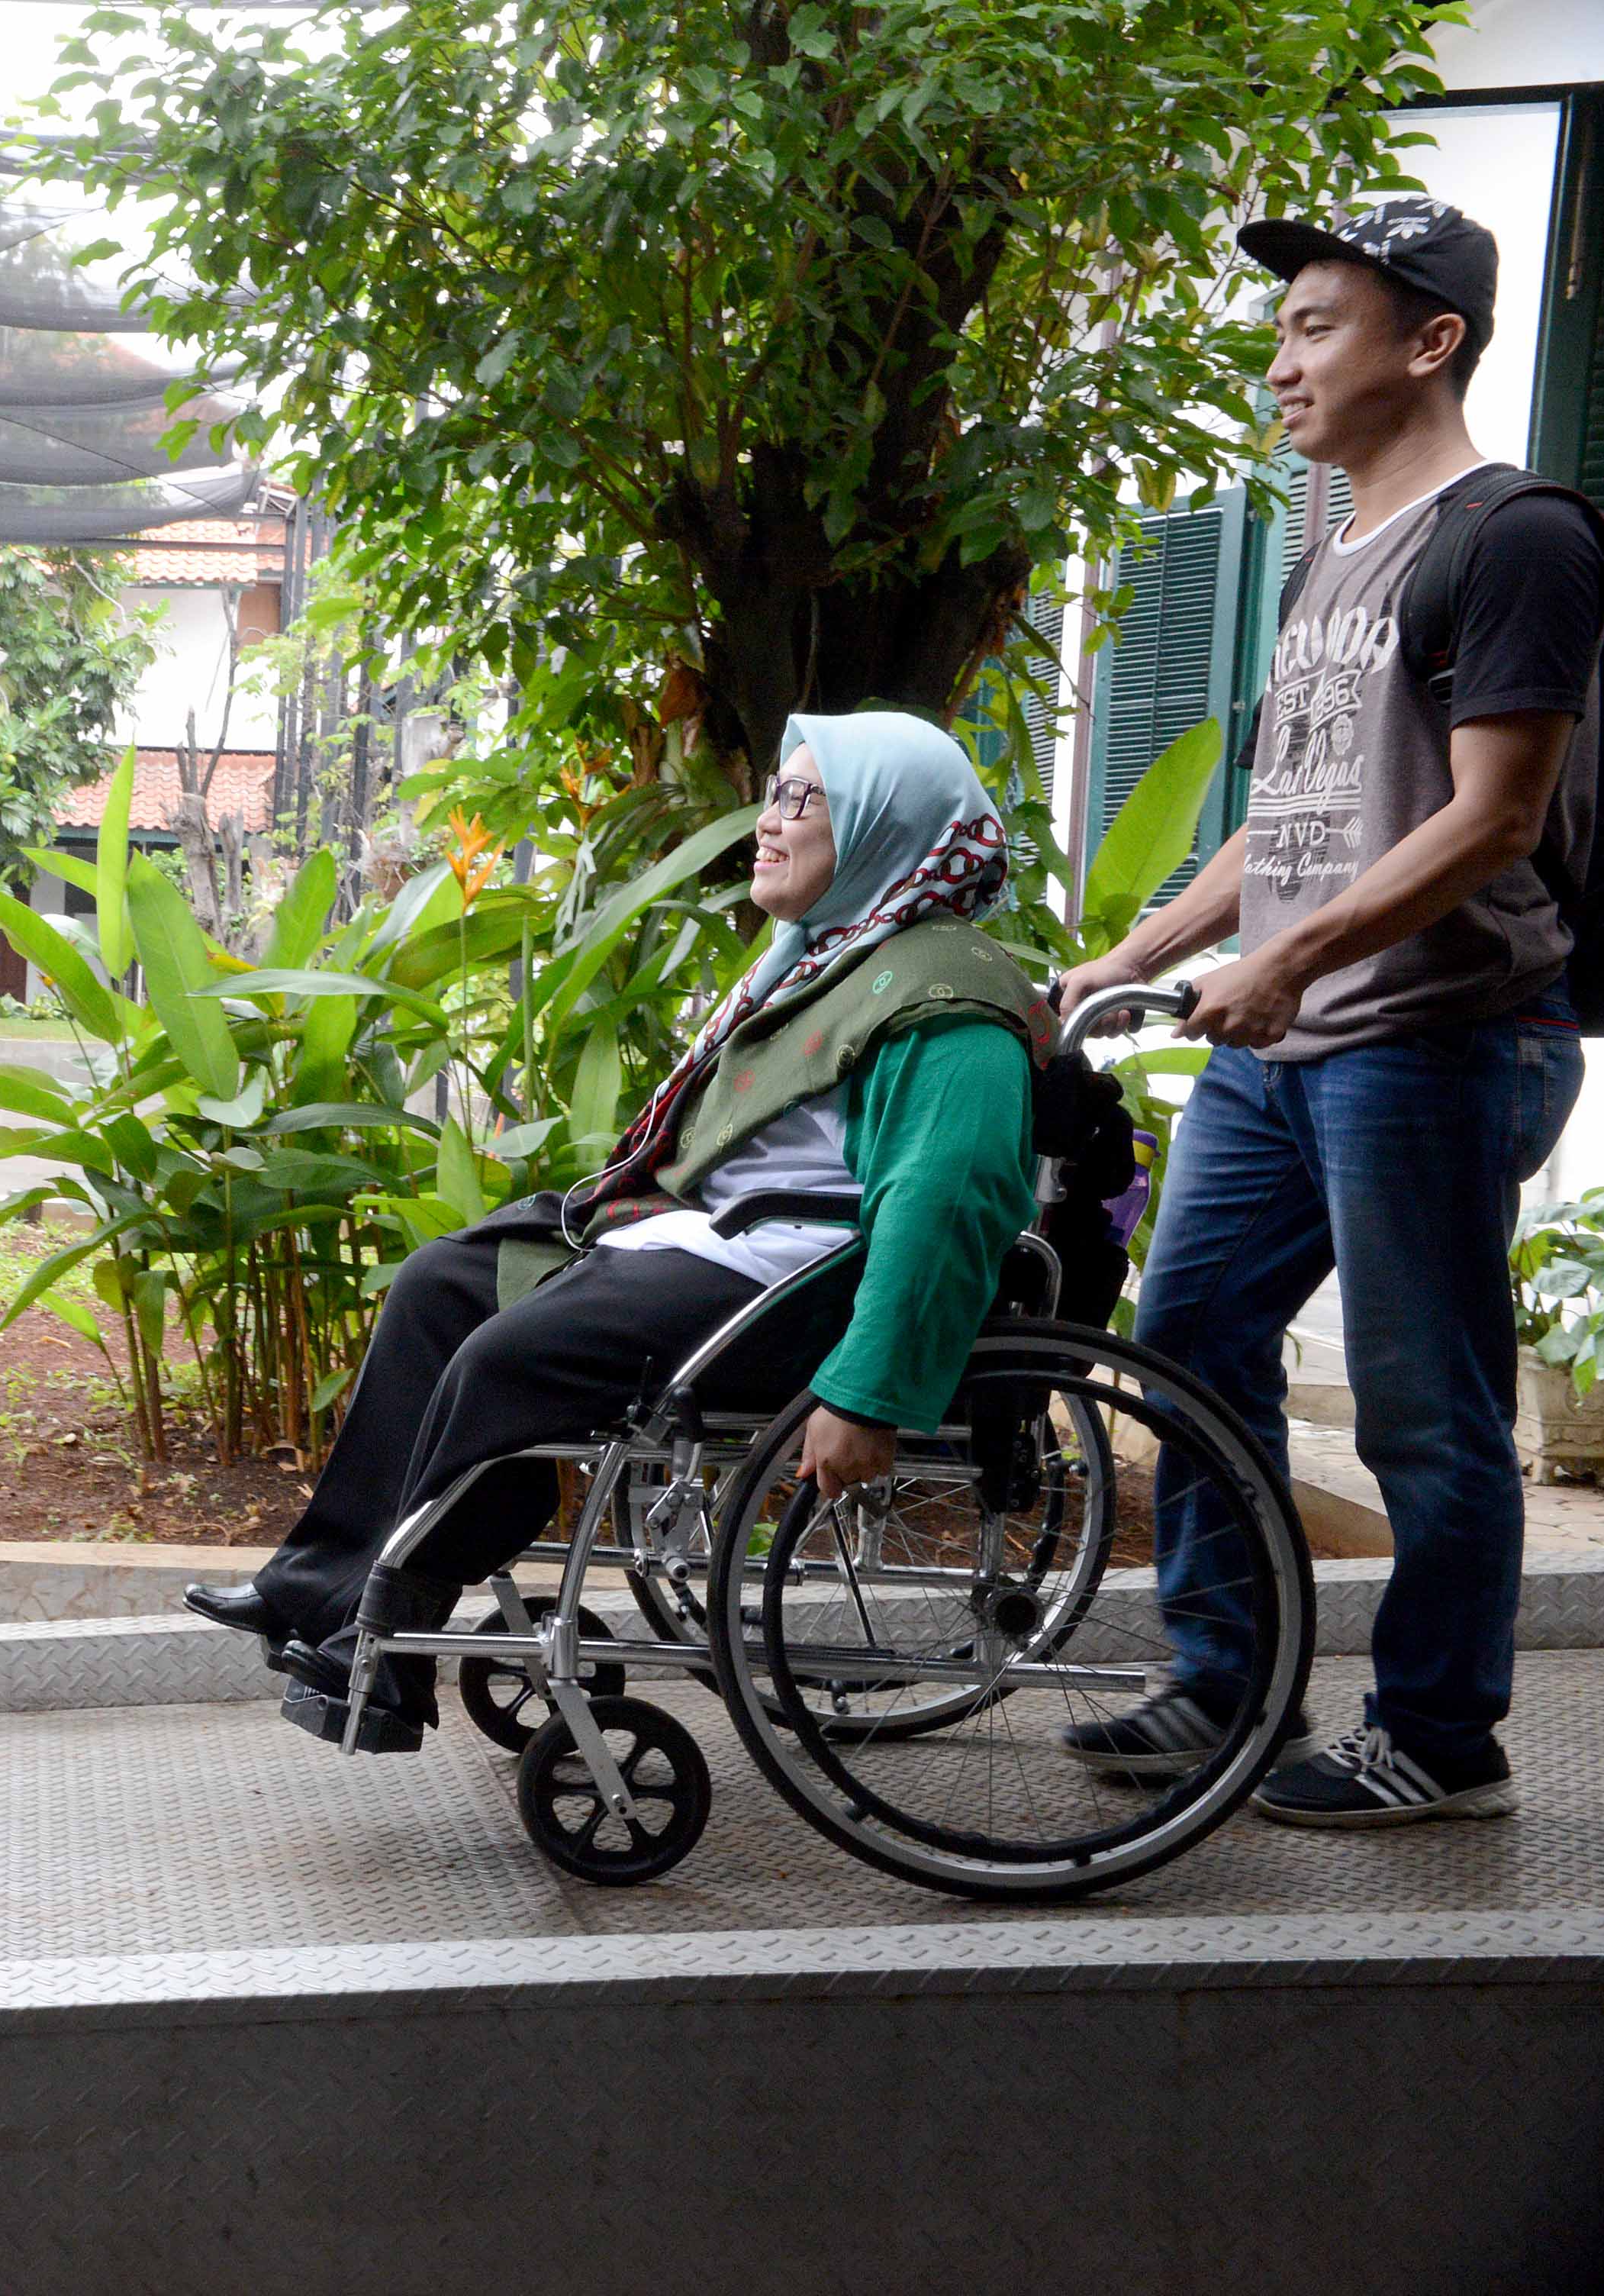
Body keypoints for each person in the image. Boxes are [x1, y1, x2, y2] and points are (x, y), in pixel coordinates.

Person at [185, 711, 1052, 1748]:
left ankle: (392, 1625)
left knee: (515, 1357)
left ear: (880, 827)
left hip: (801, 1278)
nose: (769, 824)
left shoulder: (944, 997)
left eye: (803, 801)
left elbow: (949, 1201)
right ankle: (315, 1589)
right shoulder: (828, 951)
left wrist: (870, 1391)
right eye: (773, 793)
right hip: (717, 1237)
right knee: (440, 1287)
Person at [1053, 198, 1602, 1826]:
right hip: (1283, 1053)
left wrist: (1292, 961)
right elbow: (1291, 811)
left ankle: (1443, 1735)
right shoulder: (1325, 549)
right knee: (1193, 1344)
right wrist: (1139, 946)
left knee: (1425, 1399)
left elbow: (1496, 814)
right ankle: (1221, 1679)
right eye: (1283, 326)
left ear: (1430, 343)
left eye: (1315, 326)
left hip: (1436, 1038)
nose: (1279, 359)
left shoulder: (1518, 538)